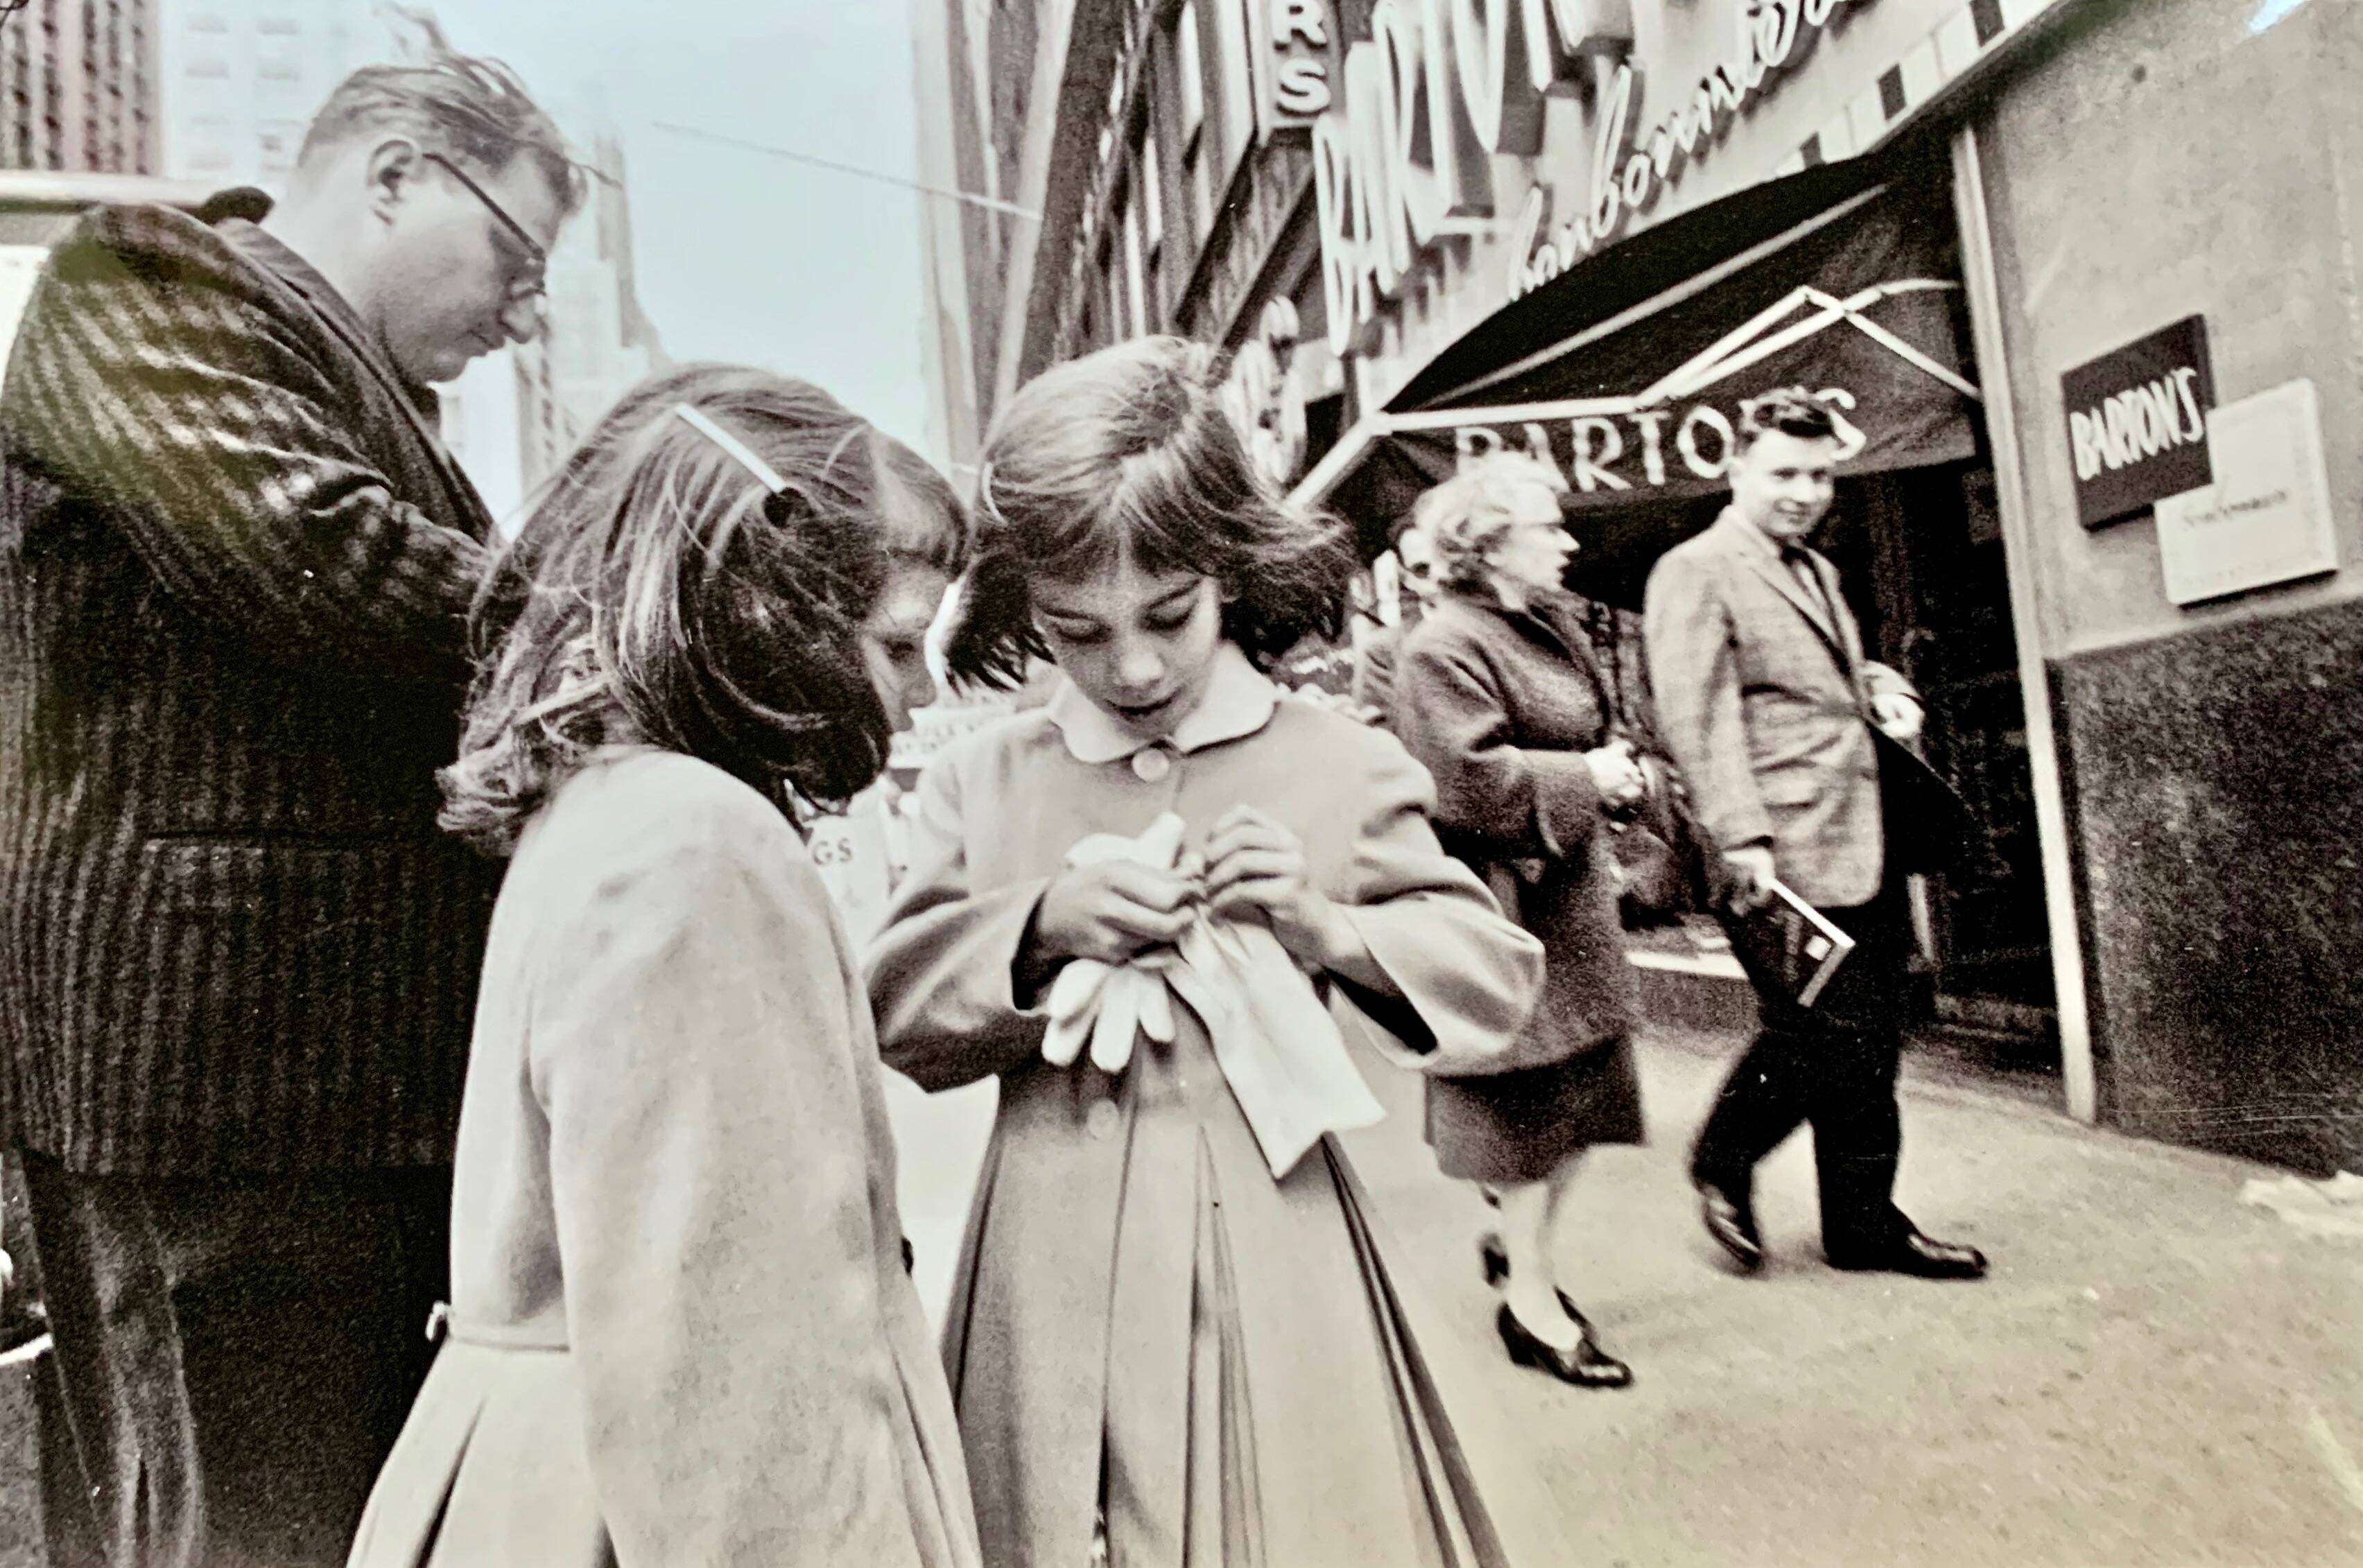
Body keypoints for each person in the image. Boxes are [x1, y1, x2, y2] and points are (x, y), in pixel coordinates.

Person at [0, 51, 582, 1567]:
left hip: (338, 1105)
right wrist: (627, 630)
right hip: (206, 1091)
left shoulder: (373, 395)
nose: (525, 311)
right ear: (395, 172)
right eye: (516, 255)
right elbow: (312, 555)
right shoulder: (144, 276)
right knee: (238, 1530)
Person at [865, 336, 1545, 1568]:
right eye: (1075, 631)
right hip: (1044, 1274)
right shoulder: (983, 778)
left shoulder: (1338, 760)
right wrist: (1035, 932)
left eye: (1168, 614)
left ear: (1230, 569)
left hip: (1277, 1256)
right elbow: (895, 1007)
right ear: (1023, 611)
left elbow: (1493, 977)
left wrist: (1327, 927)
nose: (1130, 665)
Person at [346, 365, 985, 1568]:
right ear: (765, 608)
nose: (922, 689)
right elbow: (733, 1379)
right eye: (896, 641)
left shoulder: (611, 807)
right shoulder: (694, 843)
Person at [1643, 387, 1988, 1281]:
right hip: (1779, 849)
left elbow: (1815, 675)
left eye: (1820, 474)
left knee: (1872, 1038)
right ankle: (1724, 1159)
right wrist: (1742, 839)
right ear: (1737, 471)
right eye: (1783, 473)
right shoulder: (1696, 569)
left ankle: (1864, 1224)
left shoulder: (1817, 571)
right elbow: (1698, 715)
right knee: (1822, 1034)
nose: (1804, 491)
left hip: (1857, 835)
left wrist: (1876, 684)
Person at [1392, 453, 1648, 1388]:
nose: (1570, 539)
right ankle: (1532, 1307)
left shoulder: (1545, 624)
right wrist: (1589, 779)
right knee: (1532, 1119)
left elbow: (1582, 730)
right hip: (1503, 911)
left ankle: (1519, 1247)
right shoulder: (1441, 647)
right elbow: (1464, 782)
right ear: (1492, 542)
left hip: (1567, 900)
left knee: (1578, 1102)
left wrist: (1608, 771)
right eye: (1551, 524)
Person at [1350, 505, 1446, 724]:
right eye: (1423, 569)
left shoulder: (1508, 621)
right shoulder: (1384, 655)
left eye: (1445, 559)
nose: (1440, 575)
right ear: (1407, 579)